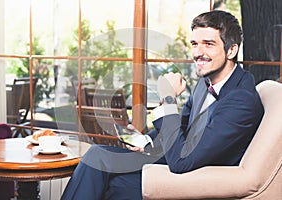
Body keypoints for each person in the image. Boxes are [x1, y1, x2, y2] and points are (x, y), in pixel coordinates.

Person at [61, 10, 264, 200]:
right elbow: (181, 128)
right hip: (178, 158)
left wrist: (168, 99)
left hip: (196, 178)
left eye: (208, 44)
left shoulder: (241, 100)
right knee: (97, 156)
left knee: (113, 185)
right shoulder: (206, 84)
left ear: (231, 50)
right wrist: (146, 142)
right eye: (194, 44)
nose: (198, 53)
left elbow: (183, 162)